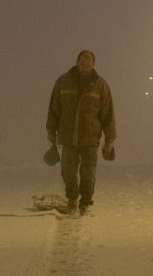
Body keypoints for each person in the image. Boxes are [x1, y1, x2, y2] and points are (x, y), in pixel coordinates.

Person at [46, 49, 116, 214]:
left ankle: (85, 202)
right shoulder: (63, 82)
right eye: (82, 64)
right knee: (67, 171)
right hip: (67, 136)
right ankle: (72, 198)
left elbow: (108, 114)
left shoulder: (101, 86)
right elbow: (54, 109)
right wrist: (51, 131)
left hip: (90, 137)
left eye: (88, 65)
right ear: (77, 62)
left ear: (93, 65)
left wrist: (110, 139)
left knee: (88, 173)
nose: (85, 67)